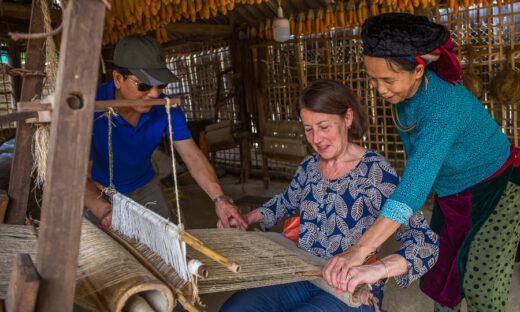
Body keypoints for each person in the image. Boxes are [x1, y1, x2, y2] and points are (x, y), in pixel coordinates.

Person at [325, 13, 520, 312]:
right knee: (442, 275)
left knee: (481, 282)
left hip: (496, 186)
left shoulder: (442, 107)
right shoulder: (404, 97)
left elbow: (414, 187)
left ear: (418, 70)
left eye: (388, 80)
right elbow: (419, 171)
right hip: (453, 191)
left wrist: (359, 250)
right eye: (373, 79)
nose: (380, 89)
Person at [220, 79, 439, 312]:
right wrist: (248, 218)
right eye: (308, 129)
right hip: (302, 270)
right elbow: (285, 201)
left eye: (324, 127)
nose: (316, 139)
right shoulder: (309, 166)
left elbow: (426, 243)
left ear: (347, 118)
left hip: (349, 285)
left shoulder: (375, 173)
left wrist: (377, 271)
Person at [84, 34, 247, 230]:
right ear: (118, 79)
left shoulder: (166, 108)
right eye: (143, 85)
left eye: (160, 85)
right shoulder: (90, 108)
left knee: (170, 240)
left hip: (144, 185)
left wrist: (220, 199)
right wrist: (103, 210)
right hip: (99, 190)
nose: (154, 94)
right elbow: (76, 174)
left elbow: (192, 156)